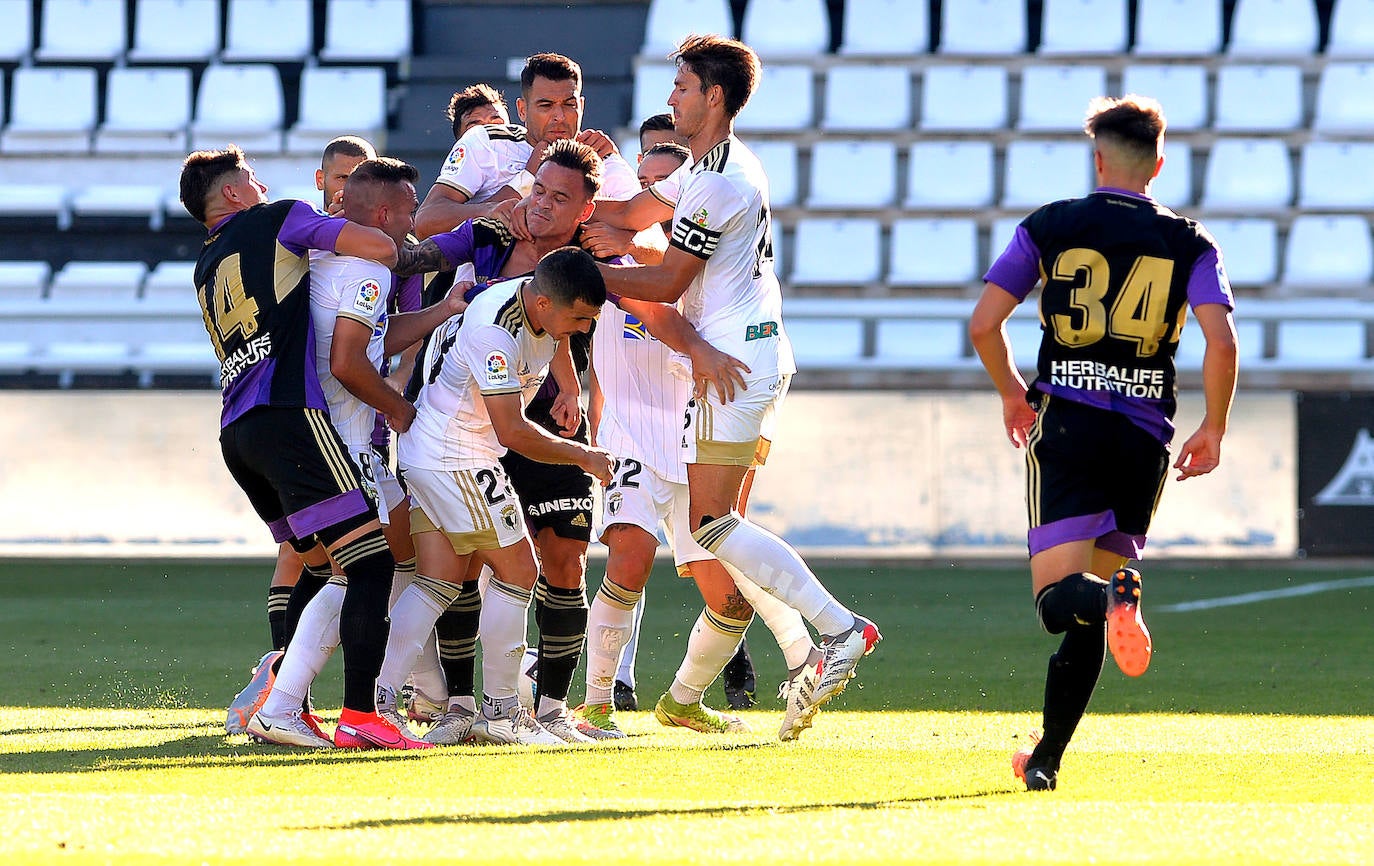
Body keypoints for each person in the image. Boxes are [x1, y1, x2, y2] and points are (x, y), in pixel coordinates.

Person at [563, 35, 882, 739]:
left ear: (714, 96)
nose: (671, 96)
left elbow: (666, 281)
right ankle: (796, 649)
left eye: (681, 86)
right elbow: (632, 216)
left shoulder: (718, 183)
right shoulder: (717, 165)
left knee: (711, 522)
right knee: (717, 524)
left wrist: (581, 274)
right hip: (754, 355)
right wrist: (583, 214)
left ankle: (838, 630)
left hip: (730, 362)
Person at [968, 94, 1239, 791]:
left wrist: (1008, 392)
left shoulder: (1052, 224)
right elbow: (1221, 339)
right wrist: (1214, 426)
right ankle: (1046, 760)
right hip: (1145, 435)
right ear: (1158, 163)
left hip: (1069, 423)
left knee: (1061, 602)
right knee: (1092, 613)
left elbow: (983, 324)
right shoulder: (1191, 240)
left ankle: (1114, 594)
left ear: (1098, 160)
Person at [574, 138, 816, 739]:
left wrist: (628, 245)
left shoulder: (691, 263)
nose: (658, 198)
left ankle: (682, 699)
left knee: (728, 596)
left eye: (666, 187)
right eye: (647, 188)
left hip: (690, 428)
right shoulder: (611, 246)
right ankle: (597, 701)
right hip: (630, 431)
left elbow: (658, 290)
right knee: (628, 555)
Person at [179, 145, 410, 750]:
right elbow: (379, 246)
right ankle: (360, 715)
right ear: (232, 193)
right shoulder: (278, 216)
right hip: (287, 415)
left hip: (237, 431)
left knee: (317, 565)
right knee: (372, 561)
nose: (259, 184)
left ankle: (282, 697)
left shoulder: (205, 263)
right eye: (249, 178)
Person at [251, 157, 471, 750]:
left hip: (317, 439)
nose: (414, 217)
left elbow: (373, 336)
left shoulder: (324, 261)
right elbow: (350, 362)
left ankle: (304, 696)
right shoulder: (368, 271)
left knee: (370, 569)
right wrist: (397, 408)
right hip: (343, 444)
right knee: (373, 570)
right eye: (408, 207)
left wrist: (441, 312)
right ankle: (323, 702)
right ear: (381, 214)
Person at [385, 246, 614, 746]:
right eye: (578, 319)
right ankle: (503, 716)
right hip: (457, 455)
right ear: (547, 304)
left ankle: (378, 704)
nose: (580, 330)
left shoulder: (541, 309)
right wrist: (582, 456)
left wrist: (571, 388)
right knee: (518, 572)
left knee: (437, 582)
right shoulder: (496, 331)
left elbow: (553, 352)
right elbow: (510, 431)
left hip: (434, 449)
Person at [414, 52, 640, 238]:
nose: (559, 116)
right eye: (546, 105)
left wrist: (627, 243)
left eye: (569, 105)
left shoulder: (605, 160)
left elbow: (653, 242)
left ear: (581, 105)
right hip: (485, 287)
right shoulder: (487, 142)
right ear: (522, 109)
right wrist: (525, 181)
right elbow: (426, 222)